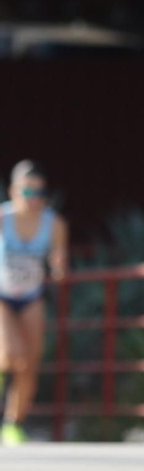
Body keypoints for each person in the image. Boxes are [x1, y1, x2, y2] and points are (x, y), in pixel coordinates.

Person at [0, 161, 68, 445]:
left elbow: (59, 264)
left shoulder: (55, 224)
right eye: (28, 192)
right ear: (14, 191)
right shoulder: (3, 218)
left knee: (29, 363)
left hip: (31, 296)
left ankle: (13, 423)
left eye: (40, 193)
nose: (34, 199)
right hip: (2, 295)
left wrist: (58, 266)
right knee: (11, 353)